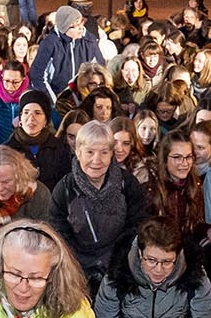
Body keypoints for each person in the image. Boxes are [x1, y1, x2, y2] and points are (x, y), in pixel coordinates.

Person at [49, 121, 151, 286]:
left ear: (112, 154)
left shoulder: (127, 183)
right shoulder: (65, 188)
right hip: (76, 267)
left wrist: (117, 258)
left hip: (119, 265)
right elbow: (58, 230)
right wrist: (78, 261)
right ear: (78, 152)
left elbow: (137, 223)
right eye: (90, 152)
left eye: (104, 152)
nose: (96, 160)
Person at [31, 6, 101, 101]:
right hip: (57, 97)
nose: (80, 28)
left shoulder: (89, 41)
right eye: (74, 26)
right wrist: (51, 102)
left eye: (81, 23)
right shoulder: (50, 43)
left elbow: (100, 69)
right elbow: (38, 74)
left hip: (84, 98)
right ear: (64, 28)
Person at [4, 91, 72, 188]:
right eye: (26, 112)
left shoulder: (60, 148)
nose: (31, 118)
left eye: (37, 113)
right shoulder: (7, 150)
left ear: (46, 120)